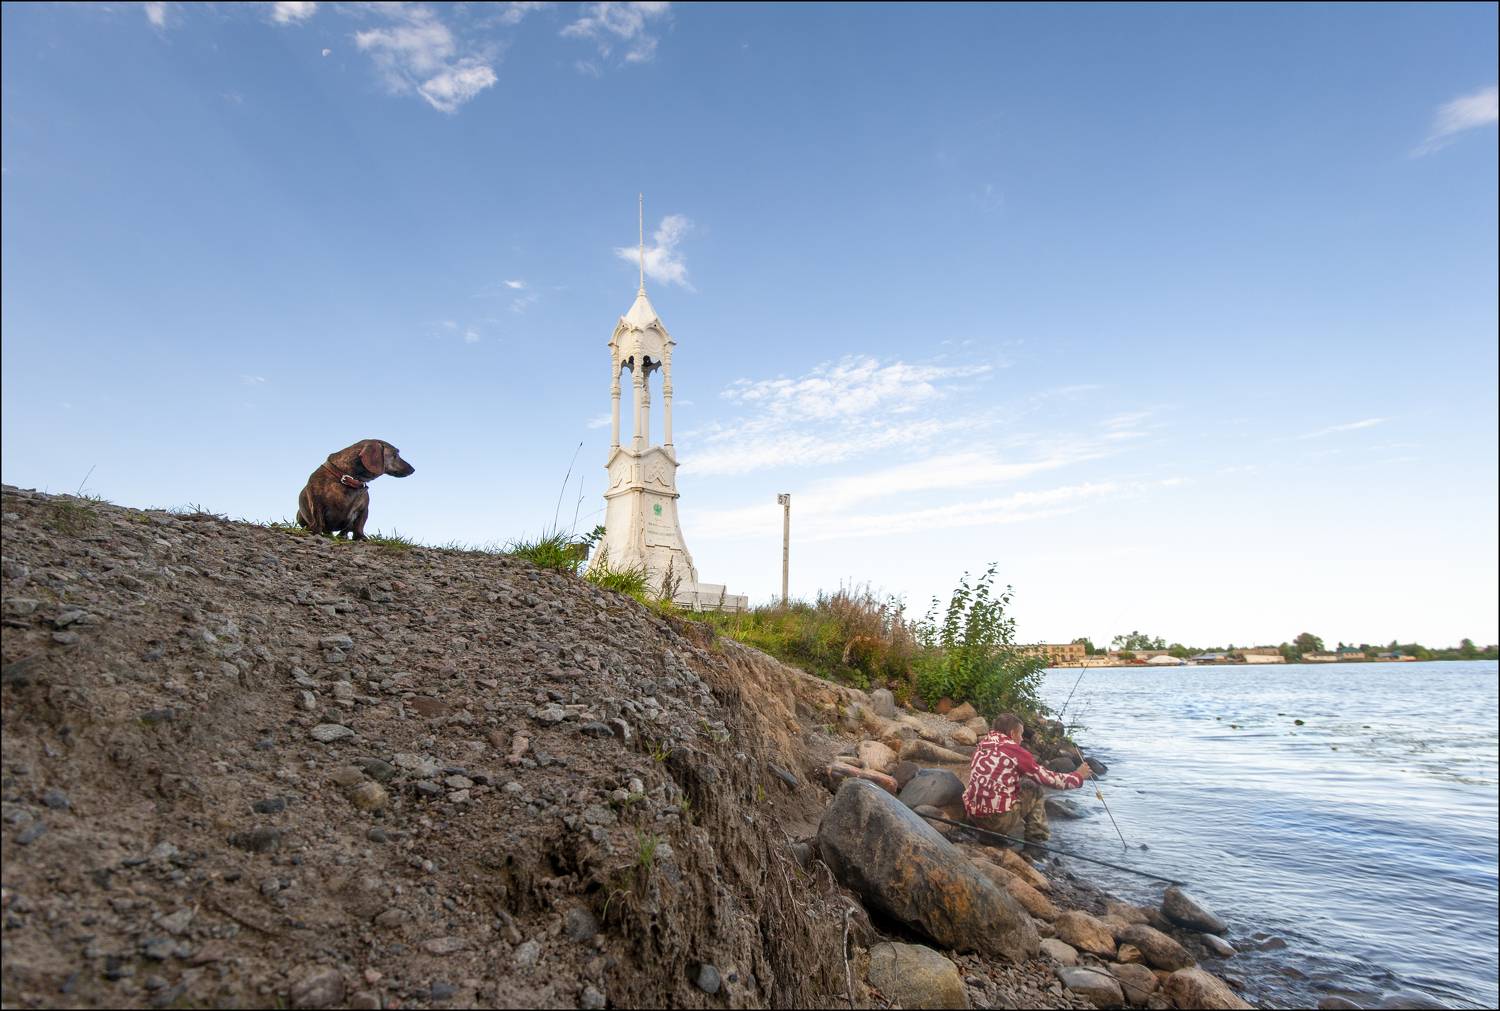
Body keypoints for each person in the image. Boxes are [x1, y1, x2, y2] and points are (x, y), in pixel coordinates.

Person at [962, 711, 1091, 850]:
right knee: (1035, 788)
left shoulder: (982, 745)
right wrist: (1077, 776)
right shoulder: (1014, 751)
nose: (1022, 739)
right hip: (997, 820)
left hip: (974, 815)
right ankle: (1035, 841)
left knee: (1021, 783)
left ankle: (987, 832)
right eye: (1021, 734)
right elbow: (1048, 779)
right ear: (1012, 734)